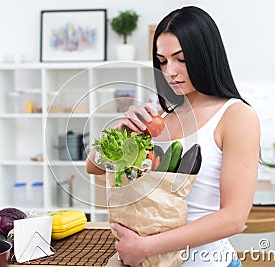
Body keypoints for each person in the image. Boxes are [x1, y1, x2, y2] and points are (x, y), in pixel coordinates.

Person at [86, 6, 260, 267]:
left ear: (205, 56)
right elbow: (94, 167)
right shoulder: (162, 119)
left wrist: (145, 247)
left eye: (181, 59)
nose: (169, 72)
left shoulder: (236, 115)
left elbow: (234, 218)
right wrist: (120, 132)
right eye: (163, 61)